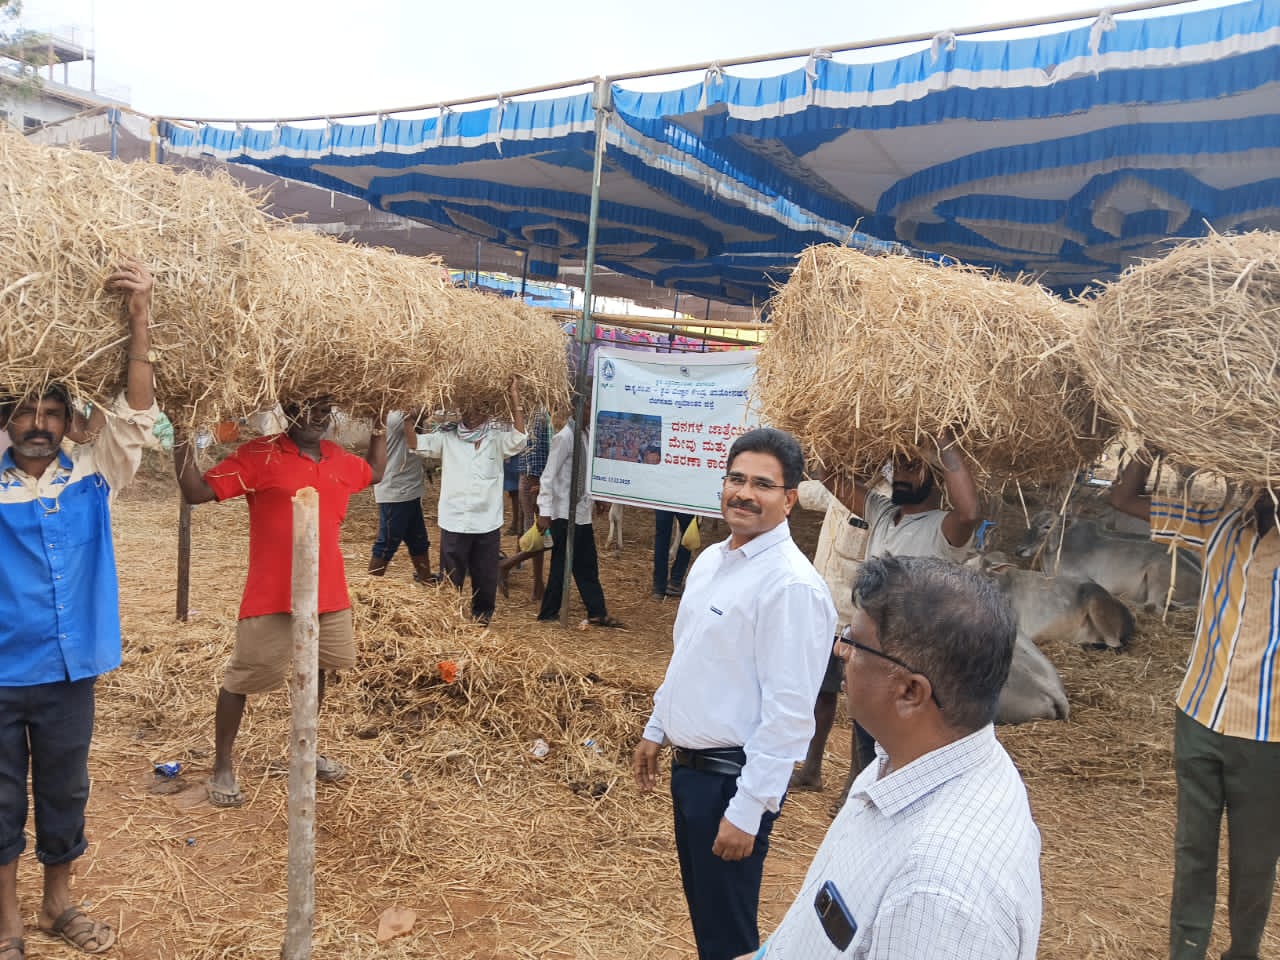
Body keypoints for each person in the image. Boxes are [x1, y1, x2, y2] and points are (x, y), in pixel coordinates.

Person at [744, 555, 1042, 960]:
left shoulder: (940, 894)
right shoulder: (900, 763)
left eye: (854, 641)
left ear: (909, 692)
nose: (839, 649)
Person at [0, 258, 158, 956]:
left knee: (64, 789)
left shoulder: (94, 473)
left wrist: (139, 320)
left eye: (51, 410)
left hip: (68, 671)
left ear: (69, 419)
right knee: (1, 800)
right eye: (24, 411)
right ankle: (7, 919)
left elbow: (136, 413)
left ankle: (58, 902)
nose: (38, 423)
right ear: (6, 421)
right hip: (2, 672)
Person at [633, 427, 837, 960]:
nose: (745, 493)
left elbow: (790, 716)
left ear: (789, 499)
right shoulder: (712, 560)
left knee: (728, 935)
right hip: (692, 773)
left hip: (734, 781)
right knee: (709, 920)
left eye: (763, 485)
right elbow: (690, 656)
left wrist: (749, 810)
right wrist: (657, 730)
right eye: (737, 479)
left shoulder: (791, 587)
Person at [173, 397, 387, 808]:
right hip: (272, 594)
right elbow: (195, 491)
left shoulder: (338, 459)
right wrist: (180, 432)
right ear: (289, 411)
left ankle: (302, 750)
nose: (316, 417)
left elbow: (375, 472)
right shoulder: (260, 455)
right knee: (242, 679)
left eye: (325, 410)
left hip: (329, 594)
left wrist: (380, 422)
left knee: (319, 670)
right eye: (306, 409)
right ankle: (222, 764)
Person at [1110, 455, 1280, 960]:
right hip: (1199, 715)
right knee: (1192, 853)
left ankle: (1243, 952)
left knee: (1255, 861)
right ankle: (1186, 951)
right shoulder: (1219, 522)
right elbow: (1120, 499)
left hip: (1268, 733)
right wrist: (1146, 444)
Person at [796, 433, 981, 812]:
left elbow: (971, 514)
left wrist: (943, 440)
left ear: (934, 474)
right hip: (871, 649)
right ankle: (862, 805)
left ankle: (880, 809)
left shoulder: (944, 529)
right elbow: (826, 474)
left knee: (900, 740)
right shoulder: (881, 512)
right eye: (897, 465)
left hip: (915, 655)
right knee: (866, 732)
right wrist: (852, 428)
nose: (900, 474)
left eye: (911, 467)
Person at [408, 379, 526, 624]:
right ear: (462, 410)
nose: (473, 415)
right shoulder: (448, 437)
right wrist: (406, 416)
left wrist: (514, 396)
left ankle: (482, 620)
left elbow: (520, 438)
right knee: (451, 577)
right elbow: (415, 444)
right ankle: (451, 621)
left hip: (487, 522)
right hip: (455, 520)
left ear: (489, 411)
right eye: (469, 409)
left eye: (480, 408)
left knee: (485, 576)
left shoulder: (496, 438)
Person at [534, 393, 621, 626]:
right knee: (562, 565)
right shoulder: (564, 437)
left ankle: (597, 612)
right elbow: (548, 476)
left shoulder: (585, 435)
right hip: (563, 512)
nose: (591, 412)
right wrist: (544, 511)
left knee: (587, 563)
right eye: (588, 407)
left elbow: (587, 472)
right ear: (576, 408)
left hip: (581, 512)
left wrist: (597, 498)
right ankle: (548, 613)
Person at [368, 410, 434, 583]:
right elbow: (422, 413)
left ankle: (425, 577)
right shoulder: (397, 418)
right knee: (387, 542)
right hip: (395, 491)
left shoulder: (406, 415)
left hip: (409, 489)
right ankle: (371, 585)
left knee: (418, 538)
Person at [499, 408, 552, 602]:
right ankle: (509, 566)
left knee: (540, 534)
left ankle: (536, 583)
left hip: (534, 479)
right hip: (535, 480)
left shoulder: (538, 413)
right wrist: (540, 484)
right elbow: (536, 453)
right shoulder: (539, 414)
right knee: (540, 533)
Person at [652, 509, 695, 600]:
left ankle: (659, 587)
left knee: (661, 536)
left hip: (665, 498)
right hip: (687, 499)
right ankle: (675, 581)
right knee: (689, 533)